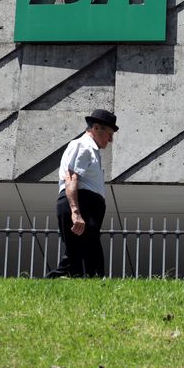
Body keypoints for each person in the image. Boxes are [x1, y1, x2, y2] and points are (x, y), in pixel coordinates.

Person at [46, 109, 118, 278]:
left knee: (78, 254)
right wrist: (76, 212)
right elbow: (71, 178)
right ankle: (89, 282)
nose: (111, 139)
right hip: (81, 202)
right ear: (96, 128)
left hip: (87, 204)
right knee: (89, 253)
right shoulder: (82, 145)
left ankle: (62, 279)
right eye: (109, 133)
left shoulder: (92, 150)